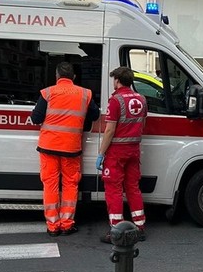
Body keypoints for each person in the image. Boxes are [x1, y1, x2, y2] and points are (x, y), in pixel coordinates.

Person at [30, 62, 99, 236]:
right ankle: (67, 224)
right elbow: (95, 115)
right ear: (74, 77)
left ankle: (53, 226)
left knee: (50, 185)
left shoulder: (48, 92)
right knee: (70, 184)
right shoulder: (85, 94)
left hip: (48, 146)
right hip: (71, 147)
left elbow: (36, 118)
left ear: (57, 76)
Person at [97, 66, 147, 243]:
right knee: (133, 188)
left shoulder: (115, 100)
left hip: (117, 152)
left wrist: (101, 153)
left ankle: (116, 231)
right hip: (134, 149)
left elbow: (110, 130)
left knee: (114, 190)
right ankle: (139, 227)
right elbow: (142, 124)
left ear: (117, 80)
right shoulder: (141, 99)